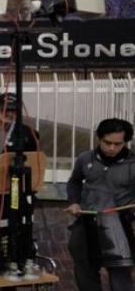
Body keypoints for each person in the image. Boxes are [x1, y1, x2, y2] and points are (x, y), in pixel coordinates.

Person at [66, 118, 135, 291]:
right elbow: (74, 182)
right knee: (84, 267)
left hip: (118, 223)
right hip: (87, 219)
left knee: (120, 272)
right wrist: (74, 202)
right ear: (99, 138)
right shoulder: (85, 158)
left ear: (125, 142)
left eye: (118, 144)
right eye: (107, 142)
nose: (112, 148)